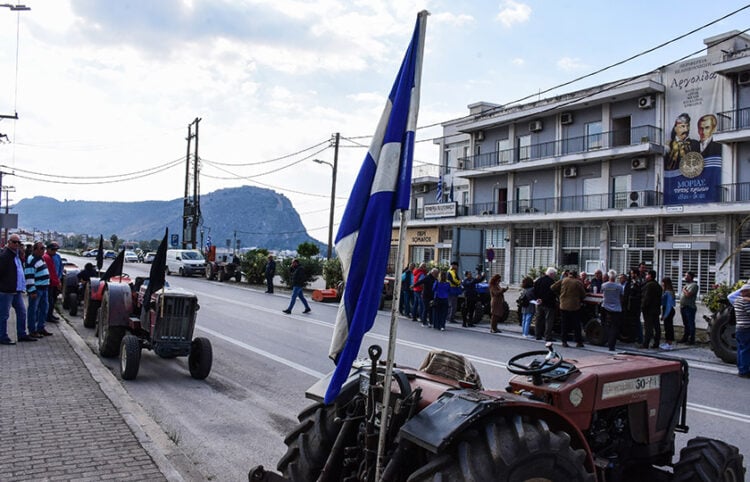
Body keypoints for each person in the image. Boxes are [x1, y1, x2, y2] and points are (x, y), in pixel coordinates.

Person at [0, 234, 37, 344]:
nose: (16, 244)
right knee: (4, 315)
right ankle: (2, 336)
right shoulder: (5, 255)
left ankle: (22, 334)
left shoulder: (16, 255)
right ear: (9, 242)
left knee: (22, 312)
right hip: (6, 291)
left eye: (18, 243)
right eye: (14, 242)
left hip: (17, 290)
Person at [25, 241, 52, 338]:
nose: (43, 250)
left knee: (44, 309)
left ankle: (41, 327)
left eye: (44, 248)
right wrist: (32, 290)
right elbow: (29, 276)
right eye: (41, 248)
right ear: (35, 249)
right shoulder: (31, 260)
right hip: (37, 289)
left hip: (44, 288)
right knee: (33, 310)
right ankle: (32, 330)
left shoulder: (41, 259)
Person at [552, 270, 585, 348]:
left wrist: (560, 294)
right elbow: (583, 294)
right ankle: (578, 342)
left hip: (563, 305)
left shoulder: (564, 280)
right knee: (576, 325)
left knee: (564, 324)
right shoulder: (578, 282)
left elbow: (552, 287)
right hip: (575, 306)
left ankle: (564, 341)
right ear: (576, 275)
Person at [728, 284, 750, 378]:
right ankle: (744, 371)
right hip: (746, 329)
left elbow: (731, 296)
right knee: (746, 349)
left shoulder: (737, 301)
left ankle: (741, 368)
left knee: (741, 349)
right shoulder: (745, 302)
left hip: (739, 328)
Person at [600, 270, 624, 351]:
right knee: (615, 327)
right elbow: (621, 297)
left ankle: (606, 339)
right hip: (616, 308)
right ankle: (612, 345)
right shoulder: (619, 287)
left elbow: (602, 294)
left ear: (609, 277)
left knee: (606, 325)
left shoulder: (604, 285)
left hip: (605, 307)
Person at [533, 267, 558, 341]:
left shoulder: (539, 280)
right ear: (551, 274)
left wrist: (538, 298)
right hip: (549, 304)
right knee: (548, 320)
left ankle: (537, 335)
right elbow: (551, 293)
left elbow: (534, 290)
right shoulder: (551, 282)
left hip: (539, 303)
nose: (554, 276)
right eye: (554, 274)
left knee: (539, 319)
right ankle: (548, 336)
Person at [641, 270, 663, 349]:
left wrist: (642, 306)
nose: (646, 276)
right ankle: (656, 342)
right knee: (656, 326)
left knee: (648, 327)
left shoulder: (649, 285)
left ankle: (646, 343)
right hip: (656, 309)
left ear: (650, 276)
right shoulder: (658, 285)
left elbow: (646, 298)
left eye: (647, 275)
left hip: (649, 309)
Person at [624, 268, 643, 346]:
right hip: (629, 305)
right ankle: (630, 337)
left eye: (633, 273)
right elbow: (626, 292)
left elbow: (639, 293)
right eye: (631, 273)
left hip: (636, 306)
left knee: (637, 322)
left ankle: (640, 339)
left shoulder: (639, 283)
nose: (631, 275)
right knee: (630, 322)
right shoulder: (629, 282)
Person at [44, 242, 62, 323]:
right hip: (50, 282)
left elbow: (60, 268)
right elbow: (50, 272)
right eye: (53, 249)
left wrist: (59, 279)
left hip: (56, 280)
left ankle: (50, 314)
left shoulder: (57, 257)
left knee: (53, 299)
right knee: (49, 300)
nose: (54, 251)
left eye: (56, 250)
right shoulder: (46, 257)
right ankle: (47, 315)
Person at [679, 271, 699, 345]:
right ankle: (685, 337)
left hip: (689, 307)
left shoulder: (694, 285)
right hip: (683, 307)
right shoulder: (686, 285)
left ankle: (691, 339)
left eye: (687, 276)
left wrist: (684, 290)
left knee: (690, 323)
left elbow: (688, 294)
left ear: (691, 277)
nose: (685, 277)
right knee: (686, 324)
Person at [660, 277, 676, 351]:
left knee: (669, 327)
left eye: (663, 282)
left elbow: (669, 305)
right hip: (666, 309)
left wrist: (665, 315)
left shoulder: (668, 292)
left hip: (668, 310)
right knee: (667, 327)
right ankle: (667, 342)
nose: (662, 283)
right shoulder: (666, 291)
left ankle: (669, 343)